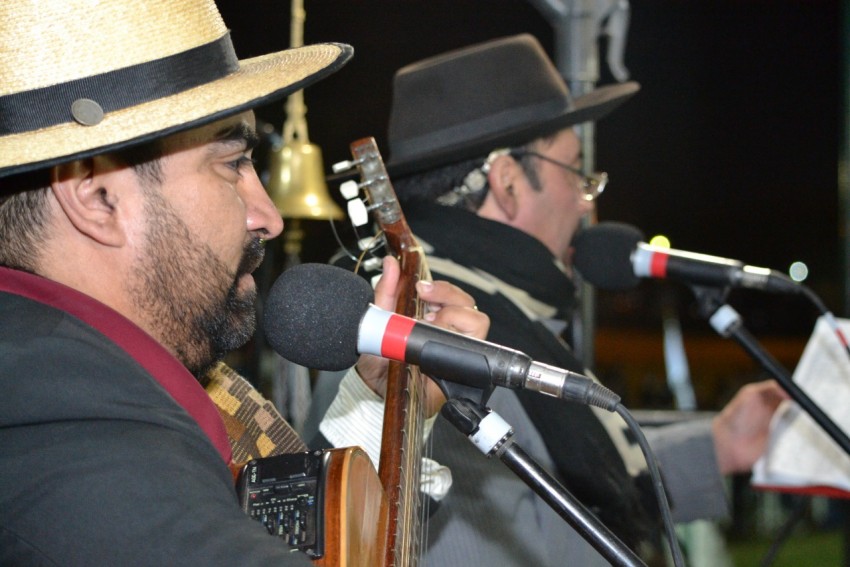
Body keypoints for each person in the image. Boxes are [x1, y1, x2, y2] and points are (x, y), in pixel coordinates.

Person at [0, 1, 488, 565]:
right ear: (97, 198)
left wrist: (383, 405)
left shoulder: (74, 385)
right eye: (232, 163)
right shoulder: (78, 438)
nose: (268, 217)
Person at [306, 34, 788, 565]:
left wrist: (721, 444)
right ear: (508, 182)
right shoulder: (430, 324)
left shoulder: (499, 307)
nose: (586, 205)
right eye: (577, 172)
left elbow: (572, 492)